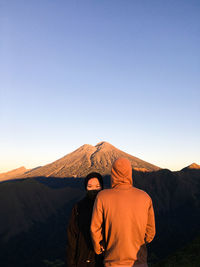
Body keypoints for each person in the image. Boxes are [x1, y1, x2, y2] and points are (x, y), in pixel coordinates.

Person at [90, 158, 156, 267]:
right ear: (130, 172)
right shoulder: (145, 197)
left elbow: (94, 229)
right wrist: (137, 242)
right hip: (139, 262)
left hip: (112, 262)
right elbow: (150, 233)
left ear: (113, 174)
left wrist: (99, 248)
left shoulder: (102, 197)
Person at [66, 172, 104, 267]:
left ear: (102, 187)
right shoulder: (79, 207)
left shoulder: (107, 207)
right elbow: (72, 236)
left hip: (103, 258)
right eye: (90, 186)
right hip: (82, 258)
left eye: (97, 186)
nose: (93, 189)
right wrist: (71, 262)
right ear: (85, 187)